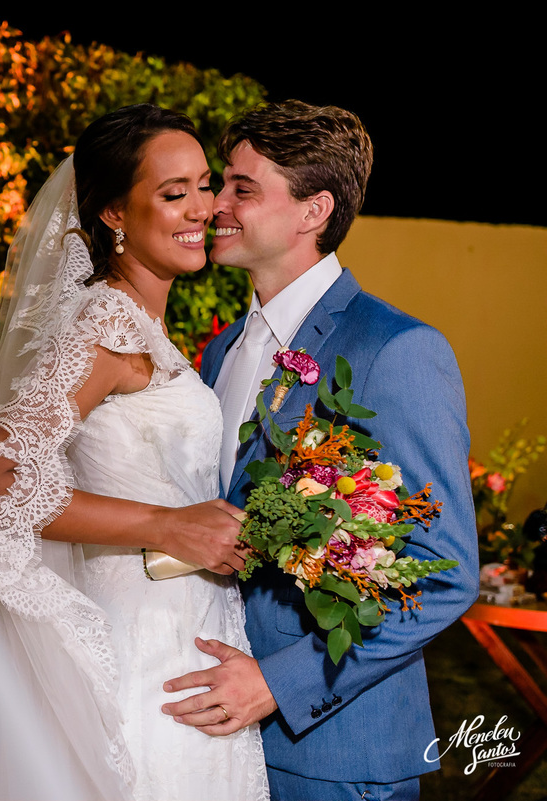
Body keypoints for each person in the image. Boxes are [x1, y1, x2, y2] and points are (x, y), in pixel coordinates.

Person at [160, 101, 480, 801]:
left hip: (337, 755)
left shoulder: (394, 350)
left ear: (314, 211)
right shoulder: (223, 349)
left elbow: (443, 574)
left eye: (244, 188)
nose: (217, 203)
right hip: (224, 742)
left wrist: (279, 682)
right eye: (223, 184)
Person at [0, 104, 269, 800]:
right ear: (114, 214)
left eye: (204, 183)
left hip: (194, 632)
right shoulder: (107, 321)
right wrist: (166, 524)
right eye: (171, 191)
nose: (201, 208)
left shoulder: (149, 326)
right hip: (148, 644)